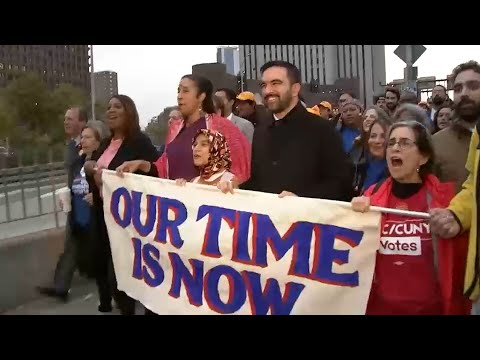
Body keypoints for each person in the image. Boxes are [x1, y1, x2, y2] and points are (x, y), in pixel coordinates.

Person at [351, 121, 470, 315]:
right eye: (392, 143)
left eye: (405, 143)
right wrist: (352, 216)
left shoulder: (446, 201)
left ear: (423, 157)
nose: (395, 147)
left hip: (431, 309)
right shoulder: (370, 197)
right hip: (380, 309)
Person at [221, 60, 353, 201]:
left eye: (276, 83)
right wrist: (237, 187)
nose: (268, 91)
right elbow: (259, 183)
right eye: (264, 85)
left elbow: (342, 184)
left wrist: (301, 198)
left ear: (295, 89)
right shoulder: (260, 132)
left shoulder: (323, 130)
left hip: (307, 219)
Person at [85, 95, 159, 315]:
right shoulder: (106, 144)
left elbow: (156, 172)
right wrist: (91, 168)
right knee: (114, 278)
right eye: (108, 107)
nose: (111, 111)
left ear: (129, 112)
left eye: (117, 106)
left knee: (137, 278)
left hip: (134, 224)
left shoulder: (140, 142)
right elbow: (95, 169)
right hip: (106, 221)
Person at [115, 74, 251, 188]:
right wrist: (140, 164)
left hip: (208, 210)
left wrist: (225, 183)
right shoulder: (175, 128)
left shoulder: (222, 126)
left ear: (201, 96)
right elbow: (164, 168)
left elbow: (240, 168)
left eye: (185, 91)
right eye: (178, 91)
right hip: (175, 210)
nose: (179, 96)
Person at [429, 61, 480, 314]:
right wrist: (454, 215)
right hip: (461, 255)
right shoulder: (436, 143)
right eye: (458, 88)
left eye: (473, 86)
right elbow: (474, 188)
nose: (465, 93)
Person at [37, 106, 88, 301]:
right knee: (71, 243)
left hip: (90, 202)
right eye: (65, 119)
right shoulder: (70, 145)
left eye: (70, 119)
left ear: (82, 122)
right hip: (75, 201)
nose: (66, 122)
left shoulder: (90, 142)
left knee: (101, 244)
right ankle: (60, 287)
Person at [72, 120, 112, 312]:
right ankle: (106, 298)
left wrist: (96, 195)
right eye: (82, 137)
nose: (83, 141)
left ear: (98, 140)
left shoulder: (103, 161)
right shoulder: (79, 161)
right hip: (83, 219)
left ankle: (109, 301)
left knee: (104, 260)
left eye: (88, 137)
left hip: (101, 218)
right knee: (96, 263)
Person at [350, 117, 391, 196]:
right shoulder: (363, 164)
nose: (377, 141)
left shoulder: (395, 171)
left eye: (383, 136)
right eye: (373, 136)